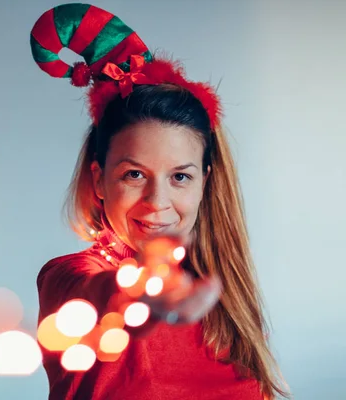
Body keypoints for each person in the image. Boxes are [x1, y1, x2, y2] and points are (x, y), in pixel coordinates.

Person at [30, 3, 289, 400]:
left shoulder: (227, 294)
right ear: (99, 179)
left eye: (179, 177)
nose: (157, 202)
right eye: (134, 174)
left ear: (204, 182)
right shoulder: (69, 277)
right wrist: (137, 294)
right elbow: (93, 296)